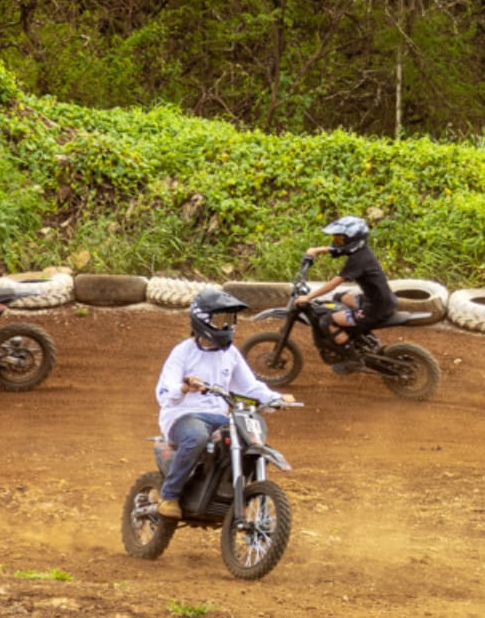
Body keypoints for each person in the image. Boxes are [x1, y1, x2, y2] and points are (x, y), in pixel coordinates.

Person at [154, 289, 295, 519]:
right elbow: (164, 390)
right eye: (220, 319)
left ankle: (239, 496)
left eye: (230, 319)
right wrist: (185, 387)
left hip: (220, 418)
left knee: (249, 441)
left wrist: (274, 398)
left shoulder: (231, 354)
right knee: (196, 437)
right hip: (183, 416)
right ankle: (169, 495)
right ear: (201, 319)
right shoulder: (182, 352)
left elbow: (250, 387)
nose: (227, 325)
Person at [301, 215, 396, 350]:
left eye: (339, 239)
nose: (336, 242)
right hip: (378, 300)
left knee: (326, 321)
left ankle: (350, 353)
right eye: (336, 239)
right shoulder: (361, 251)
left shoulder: (358, 260)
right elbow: (340, 249)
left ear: (352, 240)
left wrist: (308, 297)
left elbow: (333, 284)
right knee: (339, 297)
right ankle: (357, 334)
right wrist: (317, 250)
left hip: (376, 308)